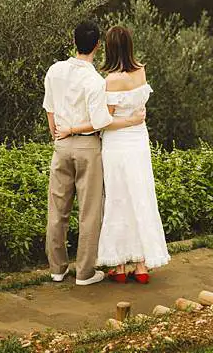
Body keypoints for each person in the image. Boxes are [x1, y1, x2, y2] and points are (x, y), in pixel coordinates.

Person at [54, 25, 168, 283]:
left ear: (109, 48)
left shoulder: (111, 80)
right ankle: (140, 265)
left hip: (117, 145)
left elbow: (104, 121)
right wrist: (136, 121)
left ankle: (117, 265)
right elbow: (139, 112)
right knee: (139, 196)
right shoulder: (141, 71)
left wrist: (73, 128)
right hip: (139, 143)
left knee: (116, 198)